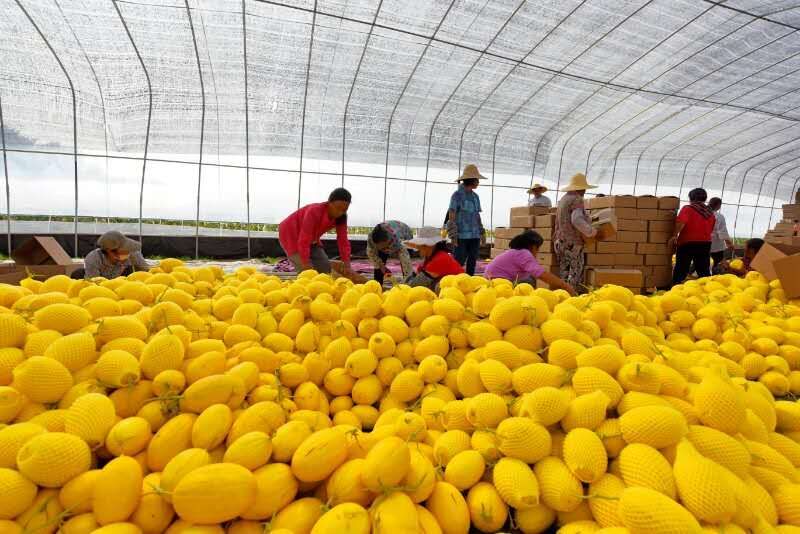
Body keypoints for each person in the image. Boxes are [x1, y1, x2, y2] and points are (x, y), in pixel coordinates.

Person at [278, 188, 352, 274]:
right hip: (290, 233)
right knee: (306, 272)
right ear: (329, 203)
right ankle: (314, 264)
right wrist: (305, 263)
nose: (340, 213)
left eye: (344, 210)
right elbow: (304, 239)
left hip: (311, 238)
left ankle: (328, 263)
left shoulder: (342, 217)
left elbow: (343, 241)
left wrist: (347, 264)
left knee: (324, 269)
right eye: (338, 208)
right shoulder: (314, 211)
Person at [485, 230, 575, 294]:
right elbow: (542, 274)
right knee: (529, 281)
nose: (537, 252)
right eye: (538, 249)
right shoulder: (524, 253)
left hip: (492, 280)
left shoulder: (517, 252)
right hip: (496, 282)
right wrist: (565, 286)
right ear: (533, 246)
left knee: (529, 277)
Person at [553, 173, 598, 293]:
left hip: (560, 242)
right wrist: (591, 231)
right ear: (580, 188)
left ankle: (563, 296)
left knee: (564, 273)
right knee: (575, 273)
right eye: (584, 188)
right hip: (573, 244)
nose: (585, 191)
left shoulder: (563, 199)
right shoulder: (577, 199)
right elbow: (576, 219)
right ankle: (572, 297)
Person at [669, 188, 716, 285]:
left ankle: (676, 287)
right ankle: (708, 288)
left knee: (681, 268)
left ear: (691, 198)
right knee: (703, 270)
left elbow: (680, 223)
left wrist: (674, 235)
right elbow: (710, 230)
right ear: (705, 198)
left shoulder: (688, 209)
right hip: (705, 244)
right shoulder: (710, 213)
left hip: (687, 243)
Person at [447, 164, 486, 276]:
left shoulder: (475, 197)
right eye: (477, 179)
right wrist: (453, 234)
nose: (478, 182)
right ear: (471, 180)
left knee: (472, 261)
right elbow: (452, 214)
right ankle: (454, 281)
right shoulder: (457, 195)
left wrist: (482, 232)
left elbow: (477, 215)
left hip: (475, 235)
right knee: (459, 260)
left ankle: (470, 280)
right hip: (461, 236)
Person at [74, 230, 150, 279]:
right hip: (101, 283)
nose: (127, 253)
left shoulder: (133, 253)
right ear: (109, 251)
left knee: (131, 271)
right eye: (122, 251)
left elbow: (147, 273)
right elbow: (93, 284)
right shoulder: (93, 259)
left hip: (122, 281)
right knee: (77, 274)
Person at [367, 220, 413, 285]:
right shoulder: (371, 239)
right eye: (382, 248)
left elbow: (406, 263)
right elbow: (372, 254)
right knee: (379, 263)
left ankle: (408, 284)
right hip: (389, 239)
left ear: (389, 240)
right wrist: (382, 266)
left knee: (406, 270)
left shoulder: (397, 239)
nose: (385, 250)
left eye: (386, 247)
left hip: (405, 233)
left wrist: (407, 282)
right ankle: (377, 285)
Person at [708, 197, 733, 273]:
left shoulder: (703, 214)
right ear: (718, 205)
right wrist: (729, 243)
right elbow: (722, 232)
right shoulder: (719, 216)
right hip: (716, 244)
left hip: (703, 242)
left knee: (700, 261)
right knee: (718, 261)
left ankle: (690, 273)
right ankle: (715, 275)